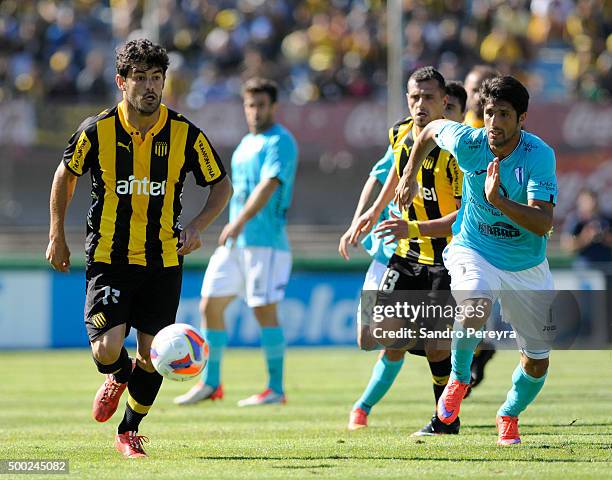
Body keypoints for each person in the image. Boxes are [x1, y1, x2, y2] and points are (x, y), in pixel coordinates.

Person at [46, 39, 232, 458]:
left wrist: (198, 226)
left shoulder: (184, 133)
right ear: (121, 82)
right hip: (109, 258)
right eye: (140, 78)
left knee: (155, 355)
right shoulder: (97, 130)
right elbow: (65, 175)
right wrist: (56, 233)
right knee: (107, 348)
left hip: (164, 261)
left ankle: (129, 432)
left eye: (156, 77)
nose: (150, 86)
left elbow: (221, 184)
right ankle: (117, 374)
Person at [395, 75, 558, 445]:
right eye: (489, 113)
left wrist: (498, 200)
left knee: (536, 363)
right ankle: (458, 377)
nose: (495, 123)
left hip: (526, 264)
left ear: (522, 119)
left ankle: (509, 414)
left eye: (504, 114)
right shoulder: (469, 142)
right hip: (474, 248)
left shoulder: (539, 155)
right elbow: (430, 130)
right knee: (474, 305)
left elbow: (542, 222)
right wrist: (407, 175)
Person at [346, 67, 463, 435]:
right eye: (414, 97)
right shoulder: (398, 132)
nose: (420, 104)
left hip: (446, 258)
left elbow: (463, 217)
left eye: (428, 97)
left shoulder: (458, 147)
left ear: (444, 101)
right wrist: (370, 212)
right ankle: (445, 338)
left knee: (436, 347)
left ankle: (446, 419)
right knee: (374, 334)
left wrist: (410, 226)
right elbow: (395, 175)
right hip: (406, 253)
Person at [174, 78, 298, 407]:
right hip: (236, 244)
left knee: (262, 309)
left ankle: (275, 389)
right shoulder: (245, 144)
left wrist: (238, 221)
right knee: (210, 304)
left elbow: (269, 186)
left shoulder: (281, 142)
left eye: (260, 105)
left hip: (265, 243)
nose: (254, 111)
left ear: (273, 107)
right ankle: (211, 382)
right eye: (249, 105)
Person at [561, 188, 611, 268]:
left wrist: (604, 236)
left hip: (606, 264)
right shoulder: (575, 220)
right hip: (585, 265)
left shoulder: (606, 219)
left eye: (592, 200)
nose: (591, 204)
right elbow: (567, 247)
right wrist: (585, 237)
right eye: (587, 201)